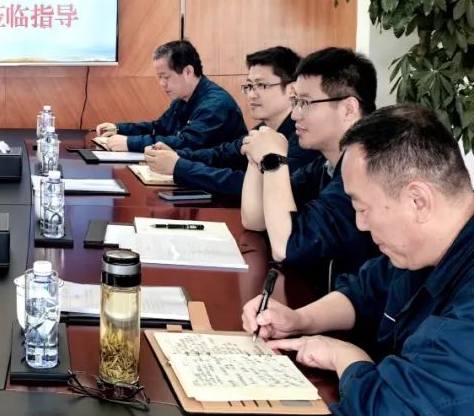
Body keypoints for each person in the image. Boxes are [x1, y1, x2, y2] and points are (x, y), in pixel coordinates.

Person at [243, 104, 474, 416]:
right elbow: (367, 291)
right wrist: (300, 318)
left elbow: (398, 413)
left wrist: (343, 356)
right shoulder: (442, 239)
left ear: (418, 200)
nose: (359, 224)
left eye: (362, 207)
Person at [240, 47, 379, 293]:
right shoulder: (326, 164)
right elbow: (255, 219)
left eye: (305, 103)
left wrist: (273, 159)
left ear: (348, 108)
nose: (295, 114)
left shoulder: (368, 168)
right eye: (295, 102)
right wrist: (257, 156)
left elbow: (286, 247)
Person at [143, 46, 319, 196]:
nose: (252, 94)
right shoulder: (263, 129)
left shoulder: (304, 138)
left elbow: (252, 186)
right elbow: (223, 155)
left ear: (292, 89)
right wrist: (176, 156)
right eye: (249, 86)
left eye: (262, 85)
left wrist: (179, 166)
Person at [95, 40, 246, 153]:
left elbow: (186, 143)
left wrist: (130, 143)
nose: (162, 84)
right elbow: (158, 128)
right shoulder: (182, 98)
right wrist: (119, 129)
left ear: (188, 71)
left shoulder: (215, 105)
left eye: (166, 77)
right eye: (159, 77)